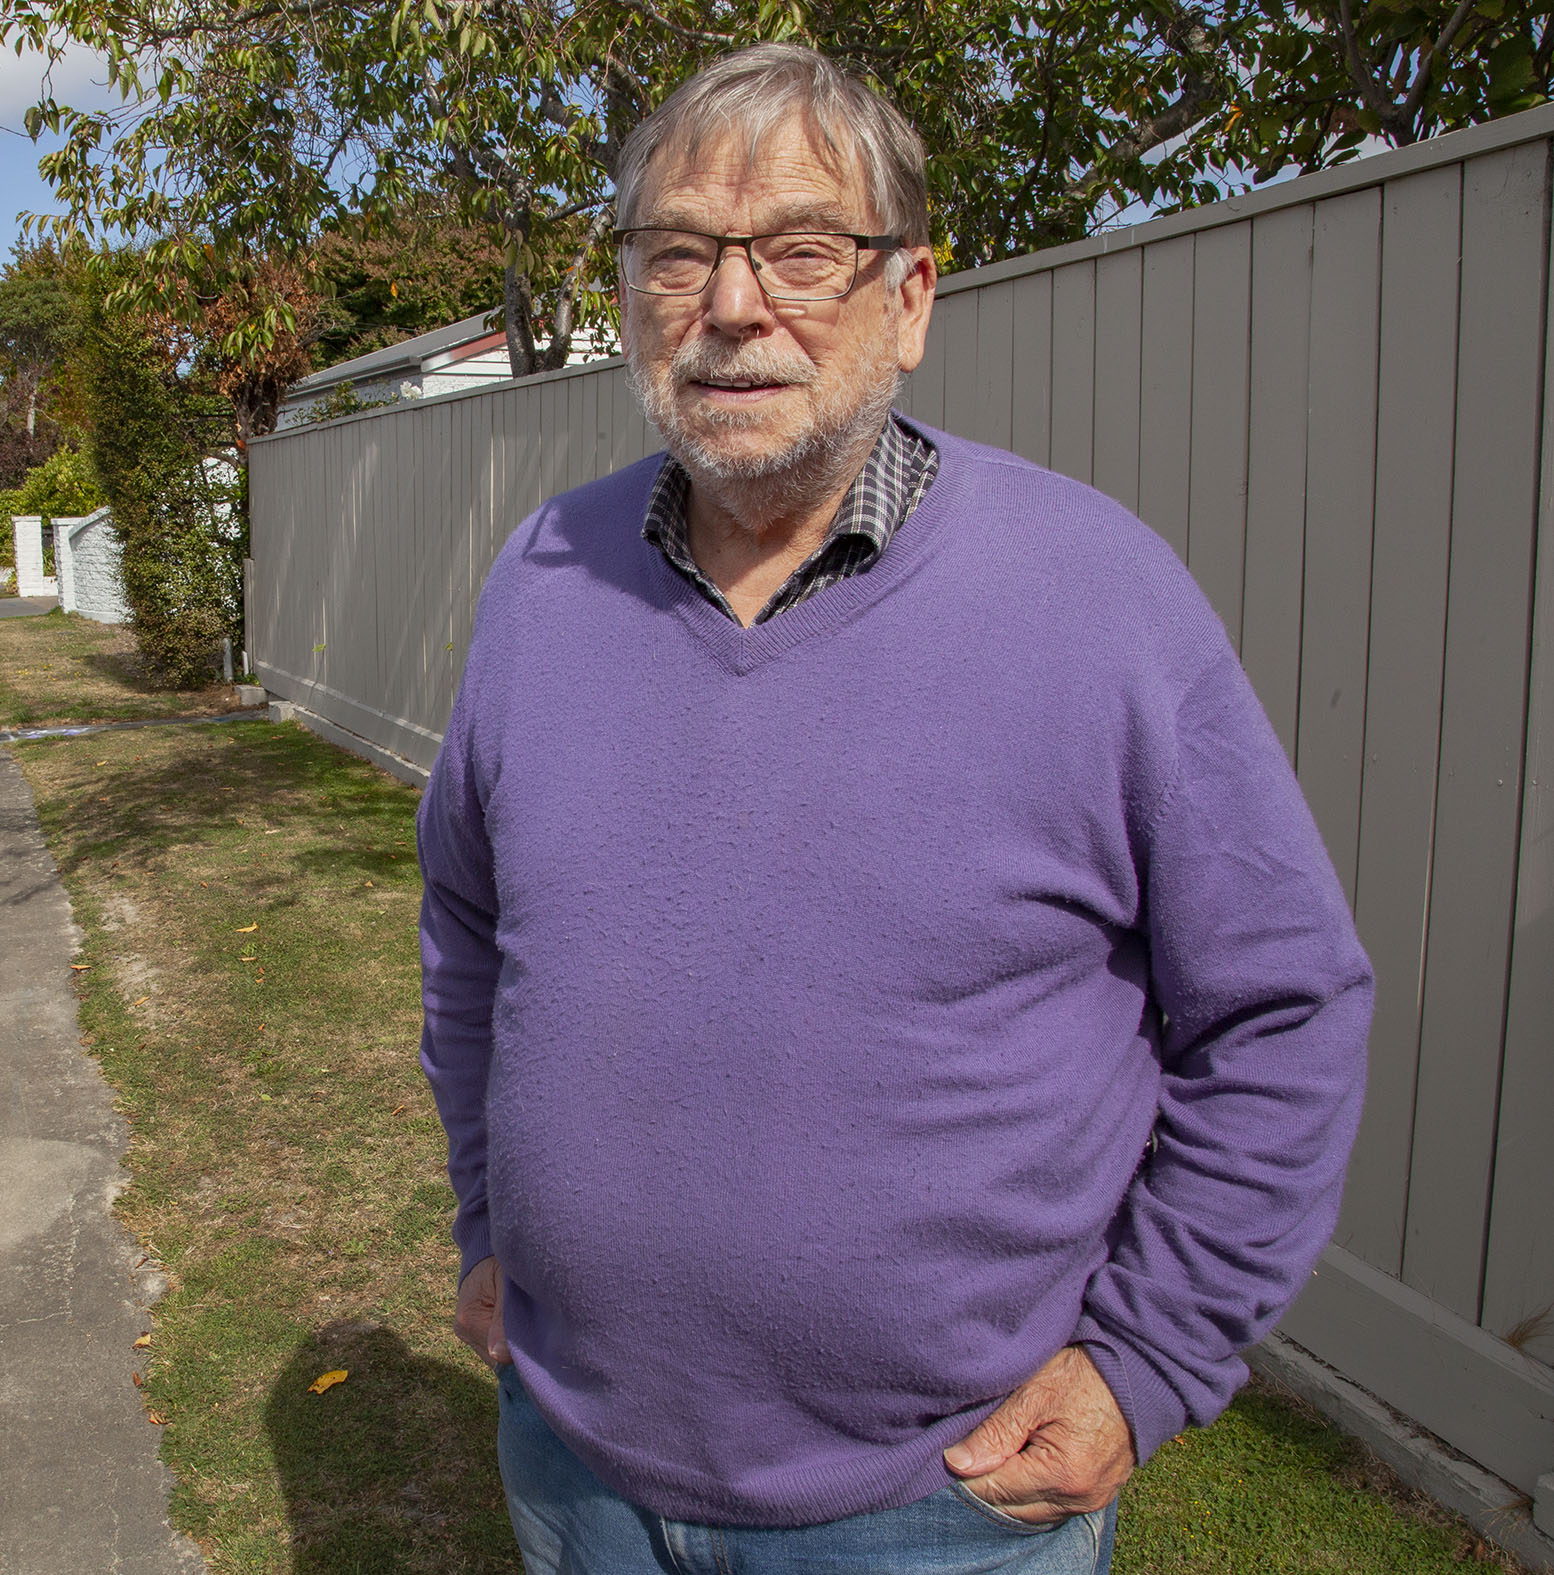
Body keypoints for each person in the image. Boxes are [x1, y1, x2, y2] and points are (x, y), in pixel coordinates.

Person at [415, 43, 1372, 1575]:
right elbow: (469, 934)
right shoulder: (543, 578)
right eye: (676, 255)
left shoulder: (1098, 600)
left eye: (800, 251)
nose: (731, 308)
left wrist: (1147, 1365)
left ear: (909, 299)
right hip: (573, 1461)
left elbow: (1282, 1010)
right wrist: (488, 1229)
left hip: (937, 1504)